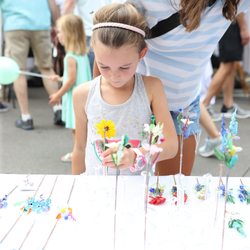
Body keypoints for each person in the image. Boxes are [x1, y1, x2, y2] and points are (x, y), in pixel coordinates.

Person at [99, 0, 250, 176]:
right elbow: (105, 46)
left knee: (172, 194)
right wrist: (98, 104)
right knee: (121, 189)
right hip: (134, 103)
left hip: (182, 107)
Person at [72, 3, 178, 175]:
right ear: (94, 52)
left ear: (141, 55)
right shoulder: (82, 94)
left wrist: (136, 155)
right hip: (95, 190)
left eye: (124, 68)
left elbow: (171, 145)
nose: (114, 76)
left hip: (138, 191)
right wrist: (75, 187)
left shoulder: (152, 88)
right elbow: (79, 148)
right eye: (104, 67)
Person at [0, 0, 63, 130]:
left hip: (15, 23)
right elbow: (51, 2)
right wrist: (54, 24)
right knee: (46, 67)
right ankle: (59, 109)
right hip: (41, 23)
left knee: (18, 71)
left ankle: (26, 117)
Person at [49, 14, 92, 162]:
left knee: (75, 128)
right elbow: (74, 77)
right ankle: (82, 152)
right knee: (80, 128)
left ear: (69, 35)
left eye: (60, 31)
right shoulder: (81, 55)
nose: (58, 35)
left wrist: (57, 95)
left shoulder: (70, 57)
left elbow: (71, 81)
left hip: (75, 99)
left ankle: (79, 154)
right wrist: (59, 78)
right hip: (84, 98)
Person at [202, 12, 250, 119]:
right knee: (227, 65)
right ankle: (204, 105)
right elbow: (236, 5)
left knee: (231, 64)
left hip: (228, 21)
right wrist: (243, 28)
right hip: (231, 21)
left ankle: (228, 105)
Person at [63, 0, 111, 75]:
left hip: (87, 32)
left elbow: (70, 3)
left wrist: (64, 28)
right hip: (107, 29)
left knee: (89, 74)